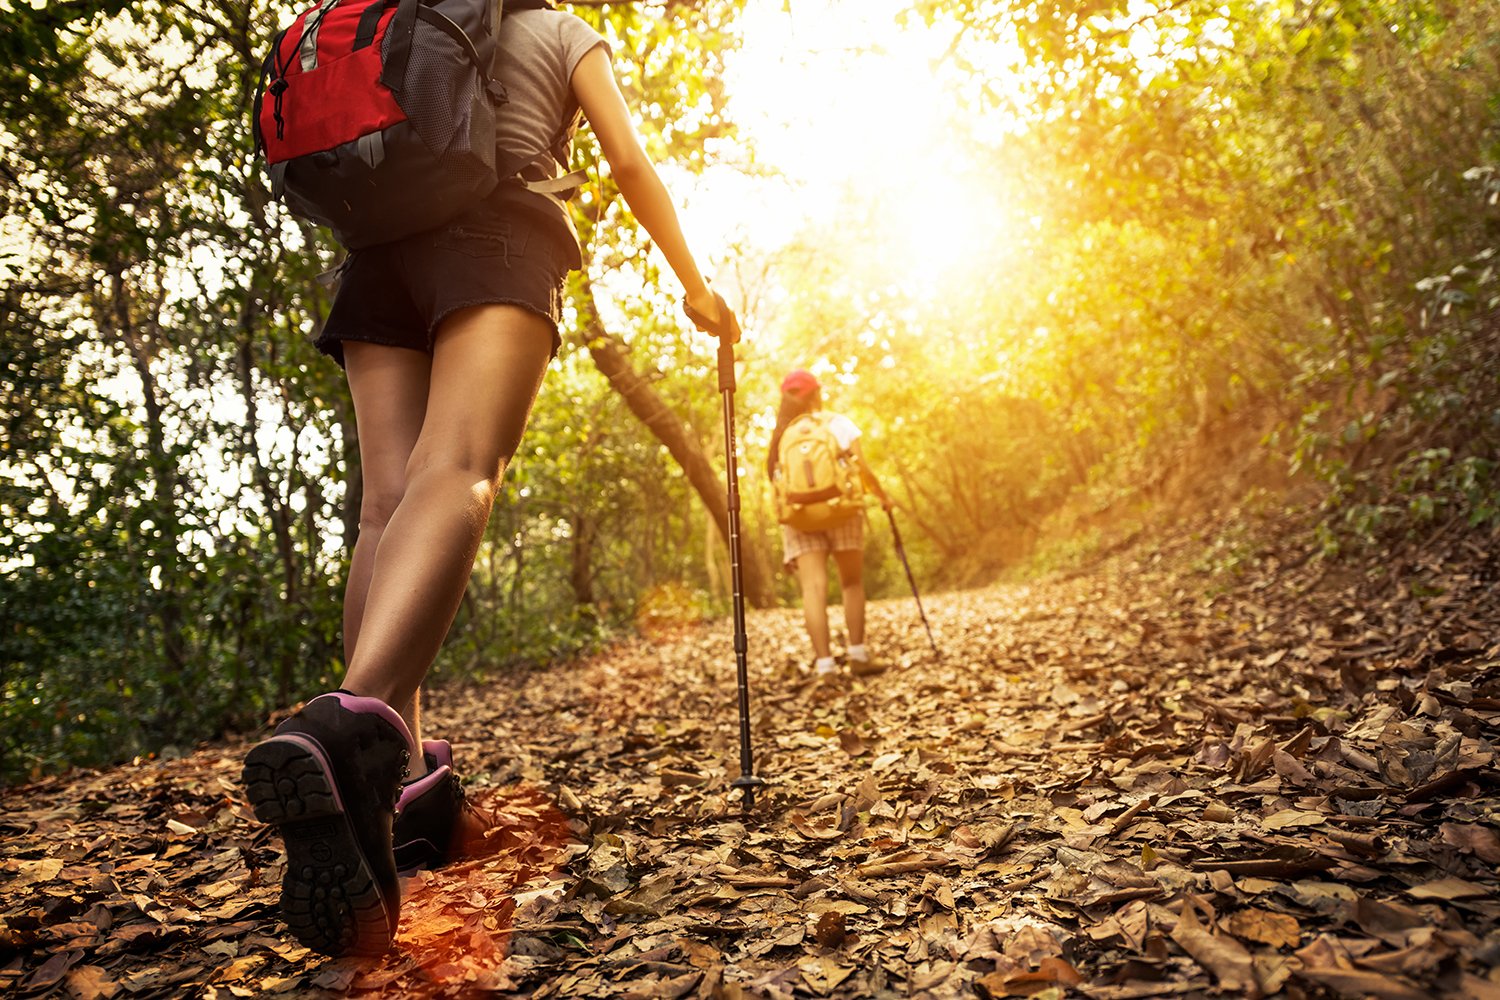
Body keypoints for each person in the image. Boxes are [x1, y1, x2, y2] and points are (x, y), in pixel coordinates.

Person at [240, 0, 739, 957]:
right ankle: (352, 731)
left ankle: (387, 794)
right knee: (461, 466)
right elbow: (629, 161)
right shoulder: (559, 30)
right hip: (499, 236)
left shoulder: (397, 21)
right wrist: (693, 285)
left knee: (384, 507)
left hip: (375, 262)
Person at [767, 369, 894, 680]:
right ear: (817, 394)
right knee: (851, 582)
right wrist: (882, 496)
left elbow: (775, 478)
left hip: (798, 518)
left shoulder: (782, 434)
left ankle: (825, 666)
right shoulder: (837, 423)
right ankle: (858, 655)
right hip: (842, 509)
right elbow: (860, 468)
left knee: (813, 589)